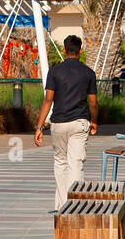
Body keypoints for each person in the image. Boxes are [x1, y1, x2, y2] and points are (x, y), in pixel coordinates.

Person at [32, 35, 98, 210]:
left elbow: (48, 100)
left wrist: (39, 127)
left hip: (58, 124)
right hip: (79, 123)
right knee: (75, 163)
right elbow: (93, 103)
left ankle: (62, 205)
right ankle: (75, 204)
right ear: (80, 51)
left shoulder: (54, 72)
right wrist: (94, 121)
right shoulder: (88, 73)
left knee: (60, 163)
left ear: (64, 50)